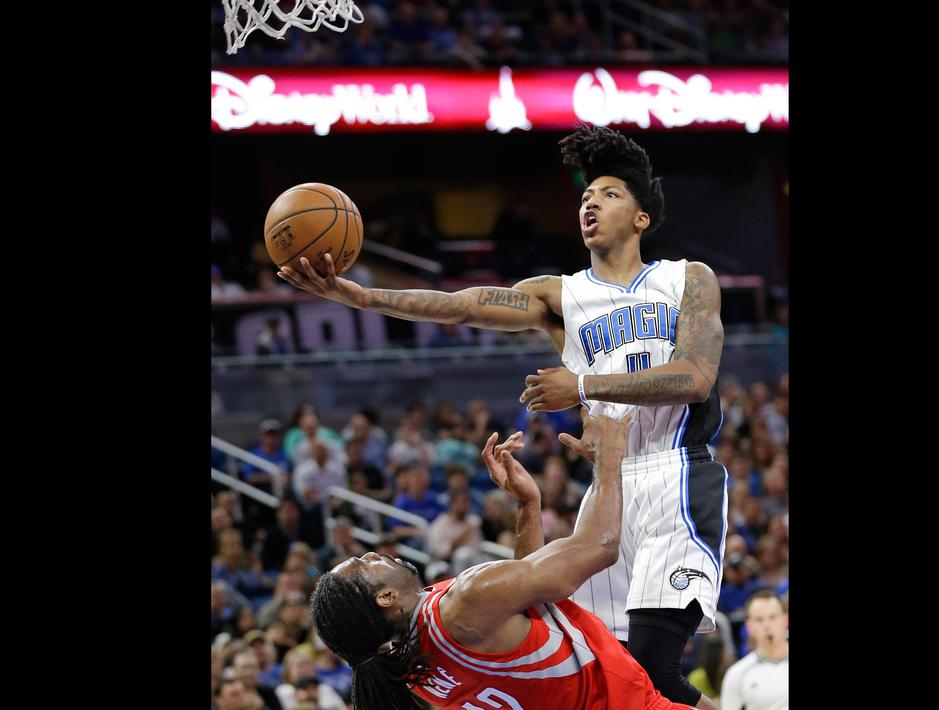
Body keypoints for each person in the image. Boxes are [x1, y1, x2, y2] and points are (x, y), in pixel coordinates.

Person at [281, 124, 727, 708]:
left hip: (676, 473)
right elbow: (464, 305)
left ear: (642, 217)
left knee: (655, 670)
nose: (590, 201)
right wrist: (364, 298)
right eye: (585, 195)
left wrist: (584, 383)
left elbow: (695, 378)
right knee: (618, 671)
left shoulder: (687, 278)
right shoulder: (559, 296)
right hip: (608, 484)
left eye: (609, 193)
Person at [309, 411, 696, 710]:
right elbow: (600, 546)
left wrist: (528, 506)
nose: (374, 553)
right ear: (386, 597)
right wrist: (609, 456)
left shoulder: (413, 671)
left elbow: (521, 607)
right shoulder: (464, 603)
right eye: (365, 562)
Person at [719, 590, 787, 710]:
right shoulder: (737, 674)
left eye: (773, 617)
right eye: (759, 620)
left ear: (785, 620)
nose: (767, 626)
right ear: (749, 626)